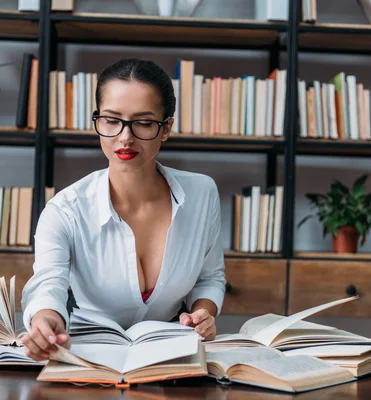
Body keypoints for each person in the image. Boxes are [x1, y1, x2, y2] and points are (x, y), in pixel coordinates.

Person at [20, 58, 227, 361]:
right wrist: (46, 320)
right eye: (111, 120)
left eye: (143, 122)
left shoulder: (202, 194)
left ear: (165, 128)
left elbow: (210, 278)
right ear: (98, 121)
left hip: (170, 358)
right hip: (89, 356)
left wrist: (202, 314)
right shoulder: (65, 209)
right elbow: (47, 283)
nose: (125, 136)